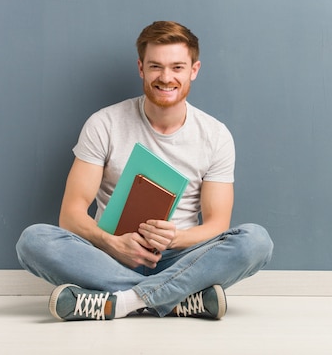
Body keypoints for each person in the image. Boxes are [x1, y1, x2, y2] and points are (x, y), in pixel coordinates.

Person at [16, 21, 273, 321]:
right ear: (141, 68)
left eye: (177, 67)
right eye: (156, 67)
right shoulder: (104, 124)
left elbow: (217, 225)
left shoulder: (215, 135)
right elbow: (70, 215)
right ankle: (178, 301)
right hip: (109, 255)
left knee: (256, 241)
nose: (166, 77)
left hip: (182, 259)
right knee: (33, 241)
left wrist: (174, 239)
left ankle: (121, 302)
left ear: (194, 69)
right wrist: (113, 243)